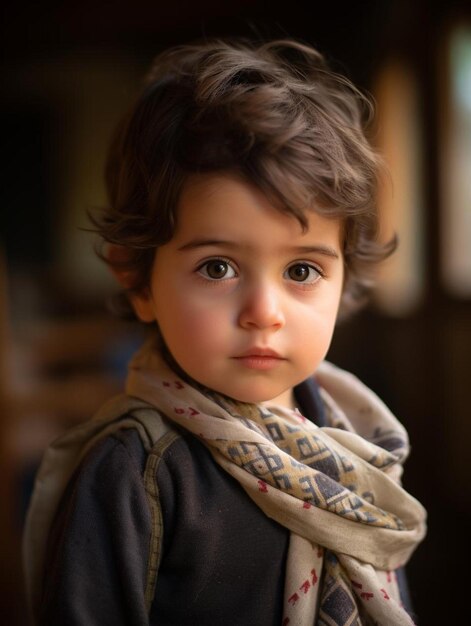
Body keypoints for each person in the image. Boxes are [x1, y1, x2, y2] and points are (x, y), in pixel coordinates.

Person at [23, 38, 427, 626]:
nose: (264, 311)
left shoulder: (360, 442)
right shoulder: (133, 471)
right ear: (139, 280)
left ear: (345, 278)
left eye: (302, 271)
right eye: (217, 267)